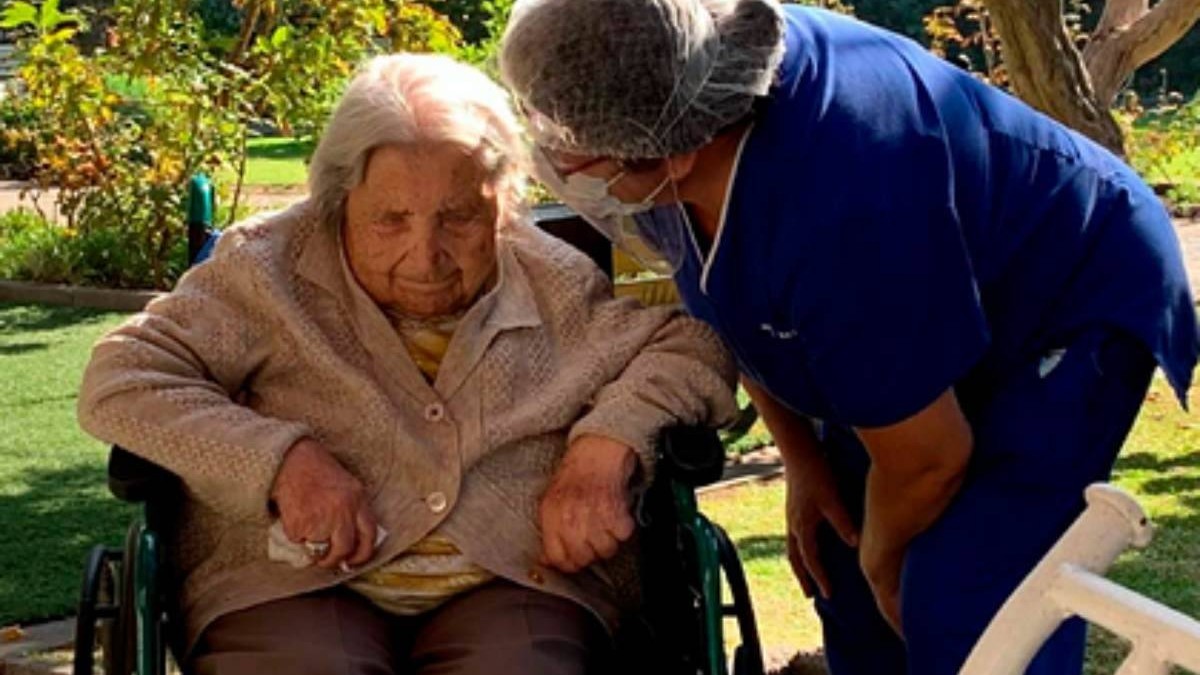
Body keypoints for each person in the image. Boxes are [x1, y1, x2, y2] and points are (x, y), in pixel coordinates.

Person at [497, 1, 1200, 673]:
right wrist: (804, 461)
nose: (559, 158)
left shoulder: (843, 201)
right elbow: (739, 311)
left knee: (965, 590)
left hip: (1066, 293)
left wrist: (884, 559)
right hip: (916, 287)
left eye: (576, 152)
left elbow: (929, 458)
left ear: (675, 154)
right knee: (838, 552)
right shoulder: (676, 77)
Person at [77, 53, 737, 675]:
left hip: (516, 577)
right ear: (339, 200)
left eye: (459, 217)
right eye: (390, 220)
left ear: (505, 201)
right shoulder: (266, 269)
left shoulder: (552, 280)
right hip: (291, 580)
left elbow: (690, 350)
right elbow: (125, 376)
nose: (426, 256)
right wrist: (281, 460)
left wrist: (606, 445)